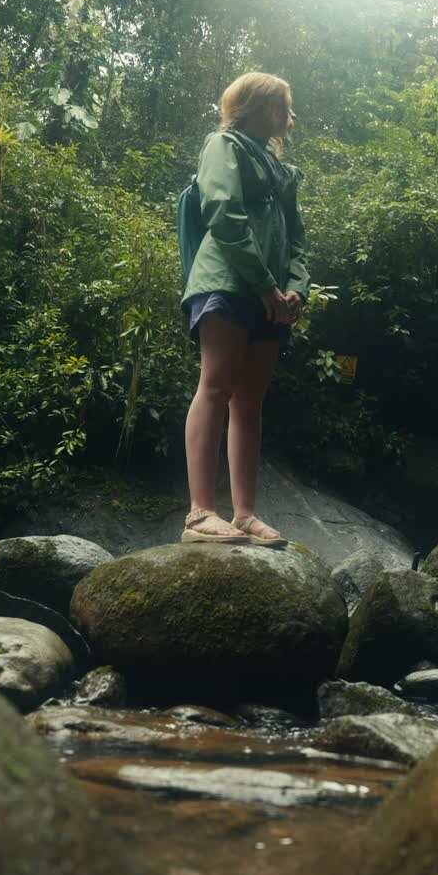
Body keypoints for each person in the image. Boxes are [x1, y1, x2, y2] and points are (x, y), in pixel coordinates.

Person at [181, 72, 310, 545]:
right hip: (227, 283)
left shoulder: (284, 173)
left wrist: (295, 288)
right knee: (215, 387)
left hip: (271, 296)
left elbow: (298, 240)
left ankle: (244, 515)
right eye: (280, 105)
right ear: (252, 105)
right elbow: (223, 211)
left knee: (251, 401)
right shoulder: (224, 146)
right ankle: (198, 515)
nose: (287, 116)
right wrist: (265, 286)